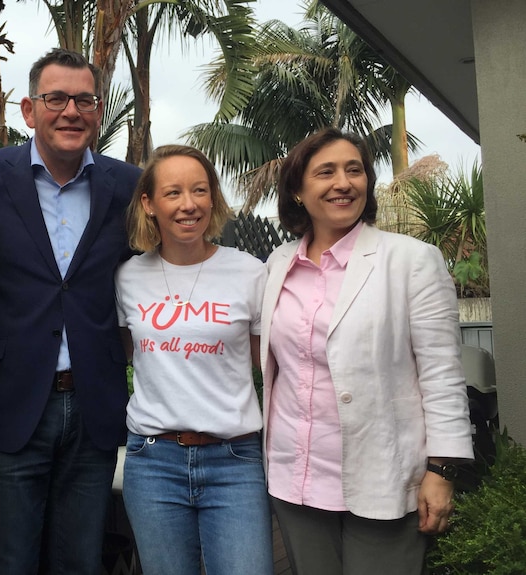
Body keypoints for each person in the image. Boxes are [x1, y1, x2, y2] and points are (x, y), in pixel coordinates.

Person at [0, 48, 142, 575]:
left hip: (95, 403)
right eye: (55, 98)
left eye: (85, 100)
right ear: (28, 109)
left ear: (98, 111)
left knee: (80, 560)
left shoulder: (127, 186)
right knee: (9, 560)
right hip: (10, 400)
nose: (71, 111)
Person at [260, 127, 474, 575]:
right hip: (294, 475)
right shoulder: (277, 266)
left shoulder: (411, 260)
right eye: (326, 172)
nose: (343, 183)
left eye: (354, 170)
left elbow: (441, 374)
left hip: (383, 472)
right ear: (297, 190)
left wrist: (442, 470)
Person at [115, 145, 273, 575]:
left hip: (234, 461)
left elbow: (268, 366)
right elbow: (129, 353)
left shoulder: (250, 272)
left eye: (200, 191)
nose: (189, 204)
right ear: (149, 204)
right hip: (153, 463)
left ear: (213, 198)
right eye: (173, 193)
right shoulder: (128, 277)